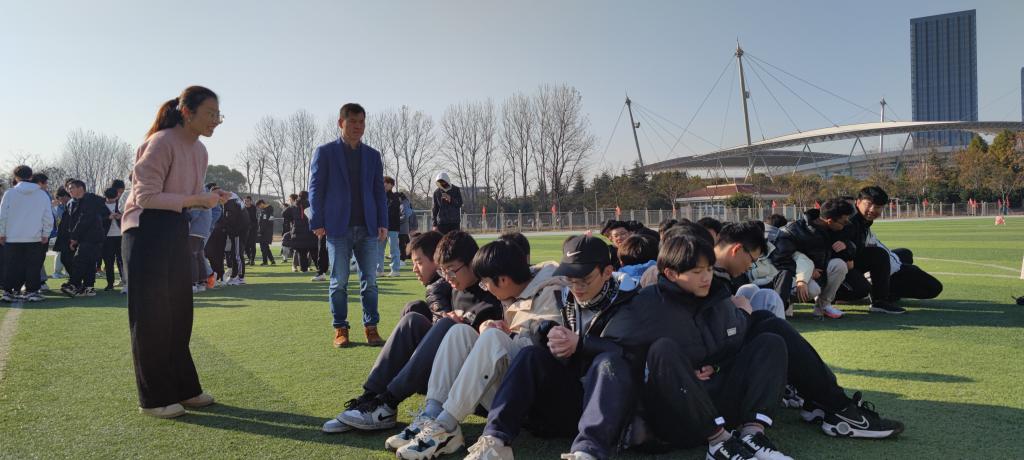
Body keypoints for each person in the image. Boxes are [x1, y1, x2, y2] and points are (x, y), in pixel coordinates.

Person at [602, 233, 792, 460]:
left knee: (770, 342)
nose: (706, 278)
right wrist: (679, 372)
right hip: (677, 414)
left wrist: (718, 366)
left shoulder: (719, 296)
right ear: (671, 274)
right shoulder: (646, 303)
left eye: (709, 269)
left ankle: (753, 433)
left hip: (719, 403)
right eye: (697, 272)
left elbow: (736, 344)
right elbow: (612, 348)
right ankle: (718, 443)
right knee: (663, 349)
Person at [465, 235, 639, 460]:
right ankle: (495, 440)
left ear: (607, 272)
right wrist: (549, 334)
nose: (576, 287)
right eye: (570, 279)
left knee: (608, 362)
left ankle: (587, 452)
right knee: (531, 354)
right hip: (570, 399)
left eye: (584, 279)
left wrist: (580, 344)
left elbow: (632, 354)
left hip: (610, 403)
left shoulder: (630, 299)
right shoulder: (565, 296)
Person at [393, 239, 566, 460]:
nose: (485, 288)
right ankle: (433, 414)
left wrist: (503, 334)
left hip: (538, 400)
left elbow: (541, 355)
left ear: (503, 280)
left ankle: (446, 426)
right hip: (509, 392)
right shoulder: (516, 286)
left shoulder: (551, 294)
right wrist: (488, 326)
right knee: (460, 332)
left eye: (485, 283)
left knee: (493, 337)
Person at [324, 231, 499, 435]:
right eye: (443, 271)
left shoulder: (494, 291)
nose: (447, 277)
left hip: (476, 384)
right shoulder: (454, 285)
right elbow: (435, 296)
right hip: (444, 376)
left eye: (451, 271)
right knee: (412, 319)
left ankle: (388, 403)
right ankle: (370, 399)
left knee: (448, 325)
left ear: (472, 263)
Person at [121, 85, 227, 418]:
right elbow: (145, 197)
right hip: (144, 230)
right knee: (152, 316)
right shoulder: (160, 142)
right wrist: (196, 199)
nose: (216, 120)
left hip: (175, 227)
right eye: (210, 113)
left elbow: (188, 196)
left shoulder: (200, 150)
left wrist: (208, 198)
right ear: (186, 112)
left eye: (218, 114)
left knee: (180, 313)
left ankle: (184, 388)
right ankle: (154, 399)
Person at [309, 102, 389, 348]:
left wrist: (383, 222)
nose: (358, 126)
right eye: (352, 121)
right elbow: (315, 188)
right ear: (340, 123)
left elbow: (379, 192)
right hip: (337, 228)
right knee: (339, 282)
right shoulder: (325, 152)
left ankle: (371, 328)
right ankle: (340, 329)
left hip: (368, 227)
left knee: (370, 282)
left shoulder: (373, 155)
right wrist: (317, 220)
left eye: (361, 122)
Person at [838, 186, 942, 312]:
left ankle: (884, 289)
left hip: (859, 263)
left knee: (905, 254)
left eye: (877, 207)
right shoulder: (849, 221)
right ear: (858, 202)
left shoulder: (862, 220)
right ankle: (879, 301)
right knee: (932, 287)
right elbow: (840, 247)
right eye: (869, 204)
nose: (872, 210)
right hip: (845, 267)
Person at [771, 201, 856, 319]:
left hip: (819, 272)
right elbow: (781, 258)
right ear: (830, 221)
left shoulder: (836, 228)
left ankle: (823, 306)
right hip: (795, 273)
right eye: (844, 221)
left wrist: (847, 245)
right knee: (812, 290)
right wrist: (807, 271)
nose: (847, 224)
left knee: (839, 265)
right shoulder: (794, 229)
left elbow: (852, 248)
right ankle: (786, 301)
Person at [0, 165, 53, 303]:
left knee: (11, 265)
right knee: (33, 266)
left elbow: (2, 216)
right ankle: (32, 291)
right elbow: (48, 217)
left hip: (12, 237)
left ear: (16, 177)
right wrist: (46, 233)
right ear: (31, 176)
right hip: (34, 237)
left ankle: (8, 291)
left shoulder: (9, 193)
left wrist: (1, 233)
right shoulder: (41, 194)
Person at [61, 179, 110, 297]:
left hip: (92, 237)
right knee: (89, 262)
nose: (69, 190)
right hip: (86, 237)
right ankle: (89, 287)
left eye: (72, 188)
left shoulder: (91, 200)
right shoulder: (74, 202)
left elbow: (84, 220)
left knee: (79, 260)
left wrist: (74, 237)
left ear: (80, 188)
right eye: (68, 188)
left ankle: (73, 285)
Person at [284, 193, 317, 273]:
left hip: (298, 232)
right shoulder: (311, 204)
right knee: (314, 252)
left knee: (301, 253)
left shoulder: (294, 206)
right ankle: (320, 268)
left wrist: (293, 220)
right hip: (310, 232)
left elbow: (284, 213)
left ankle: (304, 269)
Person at [221, 193, 249, 285]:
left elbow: (230, 219)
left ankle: (240, 277)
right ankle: (234, 275)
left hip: (238, 233)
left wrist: (228, 229)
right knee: (234, 254)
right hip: (239, 231)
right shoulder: (236, 201)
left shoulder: (231, 203)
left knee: (237, 255)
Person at [101, 187, 125, 291]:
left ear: (117, 196)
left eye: (114, 199)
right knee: (108, 261)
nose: (112, 200)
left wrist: (121, 216)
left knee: (122, 260)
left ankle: (125, 282)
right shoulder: (101, 205)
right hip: (107, 237)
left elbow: (127, 215)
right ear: (105, 197)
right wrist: (108, 218)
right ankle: (110, 283)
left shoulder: (121, 203)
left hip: (120, 236)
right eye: (109, 199)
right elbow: (97, 219)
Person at [381, 176, 401, 277]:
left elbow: (391, 211)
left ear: (392, 185)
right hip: (381, 227)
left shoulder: (395, 197)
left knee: (394, 249)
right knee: (379, 249)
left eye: (387, 183)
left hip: (392, 227)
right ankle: (379, 270)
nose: (384, 184)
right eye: (383, 182)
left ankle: (395, 270)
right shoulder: (379, 196)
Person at [50, 187, 71, 279]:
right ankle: (57, 272)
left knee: (70, 253)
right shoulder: (59, 206)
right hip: (62, 232)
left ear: (66, 196)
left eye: (61, 198)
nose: (60, 201)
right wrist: (53, 206)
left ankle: (68, 271)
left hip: (72, 232)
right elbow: (57, 217)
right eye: (58, 199)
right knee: (60, 252)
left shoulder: (73, 203)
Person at [255, 200, 276, 265]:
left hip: (266, 232)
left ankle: (265, 262)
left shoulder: (269, 210)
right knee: (266, 247)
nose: (259, 207)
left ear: (261, 204)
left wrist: (260, 231)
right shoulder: (264, 210)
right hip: (264, 232)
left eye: (259, 206)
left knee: (263, 247)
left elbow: (267, 223)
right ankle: (272, 260)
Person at [280, 193, 298, 264]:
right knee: (285, 239)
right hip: (293, 230)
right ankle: (286, 258)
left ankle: (300, 263)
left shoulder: (295, 207)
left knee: (300, 246)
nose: (289, 201)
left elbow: (284, 213)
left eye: (290, 199)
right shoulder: (292, 209)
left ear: (293, 200)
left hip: (298, 230)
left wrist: (291, 206)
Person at [398, 192, 415, 260]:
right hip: (405, 227)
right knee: (407, 242)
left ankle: (402, 258)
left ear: (400, 197)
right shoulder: (407, 203)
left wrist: (396, 220)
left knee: (401, 244)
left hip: (402, 227)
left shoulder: (403, 205)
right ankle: (409, 255)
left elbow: (404, 217)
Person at [243, 196, 258, 266]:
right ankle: (249, 259)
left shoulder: (254, 208)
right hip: (245, 230)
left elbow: (255, 219)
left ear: (251, 201)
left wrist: (251, 226)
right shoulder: (243, 208)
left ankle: (252, 260)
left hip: (253, 230)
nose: (246, 202)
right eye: (245, 201)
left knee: (252, 245)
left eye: (248, 201)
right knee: (246, 245)